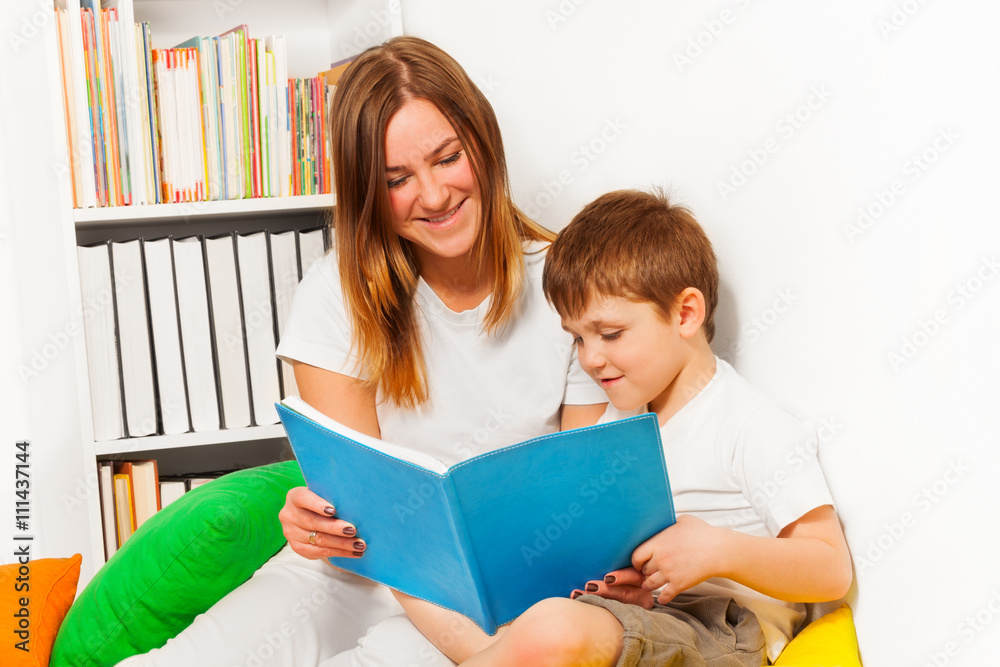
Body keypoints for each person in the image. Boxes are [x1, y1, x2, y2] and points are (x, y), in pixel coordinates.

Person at [117, 37, 606, 667]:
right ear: (368, 192)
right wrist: (317, 515)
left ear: (483, 141)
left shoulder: (572, 289)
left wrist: (489, 647)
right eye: (396, 179)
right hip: (352, 570)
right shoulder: (333, 296)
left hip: (491, 595)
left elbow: (573, 506)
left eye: (448, 157)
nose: (432, 196)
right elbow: (366, 503)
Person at [404, 189, 854, 666]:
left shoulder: (747, 424)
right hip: (640, 618)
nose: (590, 358)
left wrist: (719, 550)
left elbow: (830, 568)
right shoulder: (619, 421)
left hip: (720, 629)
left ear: (685, 314)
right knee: (417, 580)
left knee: (552, 628)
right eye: (577, 338)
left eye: (611, 334)